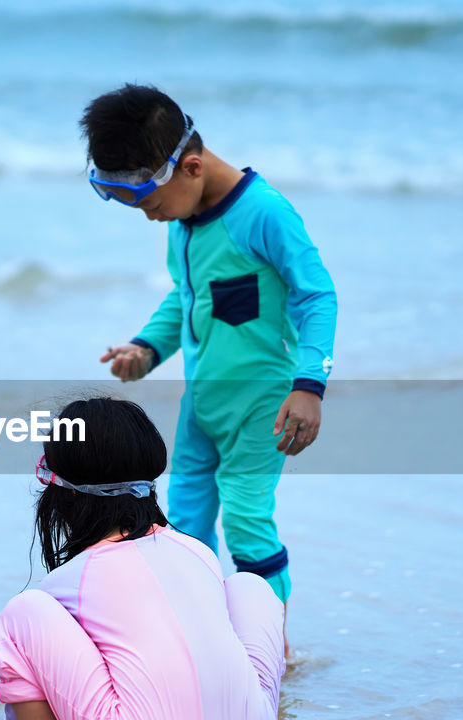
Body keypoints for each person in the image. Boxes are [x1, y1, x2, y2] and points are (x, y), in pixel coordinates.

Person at [82, 84, 338, 648]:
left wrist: (310, 386)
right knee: (183, 525)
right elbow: (188, 298)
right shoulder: (183, 221)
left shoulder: (264, 214)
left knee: (247, 522)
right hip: (202, 403)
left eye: (149, 205)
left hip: (263, 402)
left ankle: (272, 649)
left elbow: (317, 296)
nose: (151, 219)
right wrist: (146, 348)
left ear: (190, 167)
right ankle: (202, 640)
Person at [0, 398, 285, 720]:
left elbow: (36, 668)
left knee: (22, 614)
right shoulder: (199, 553)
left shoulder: (68, 581)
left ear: (61, 492)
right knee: (249, 586)